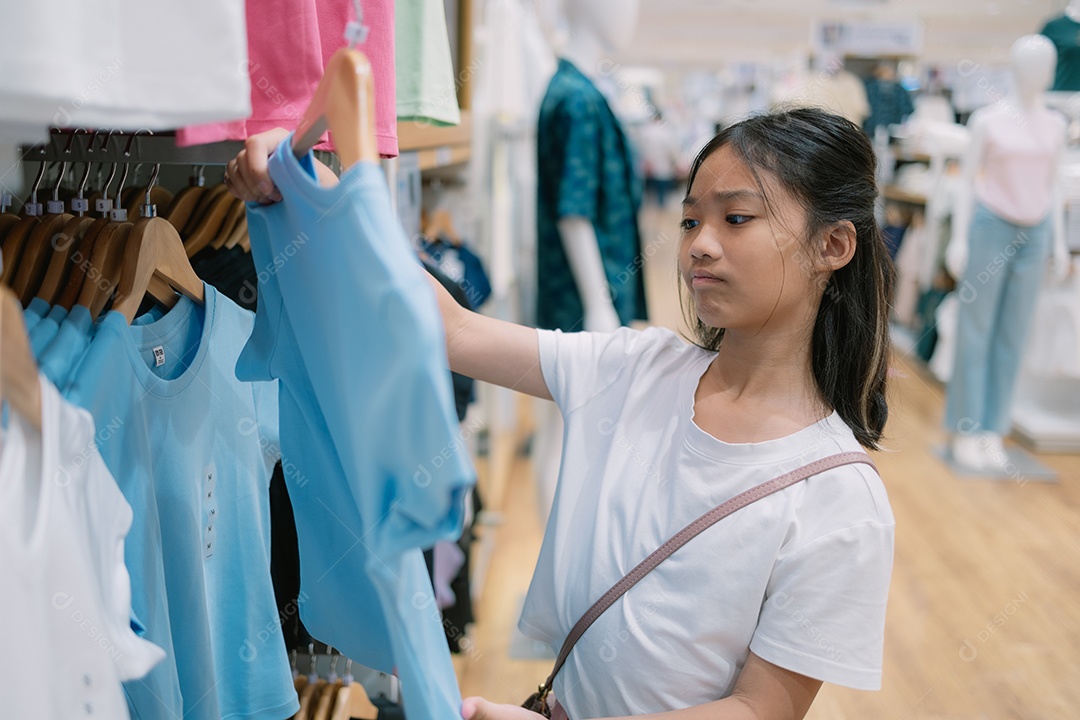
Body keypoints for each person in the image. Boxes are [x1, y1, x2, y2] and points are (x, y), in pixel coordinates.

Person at [225, 107, 896, 720]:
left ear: (833, 247)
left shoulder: (839, 497)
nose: (699, 244)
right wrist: (318, 201)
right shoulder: (638, 368)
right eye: (691, 219)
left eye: (737, 218)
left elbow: (759, 710)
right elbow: (454, 332)